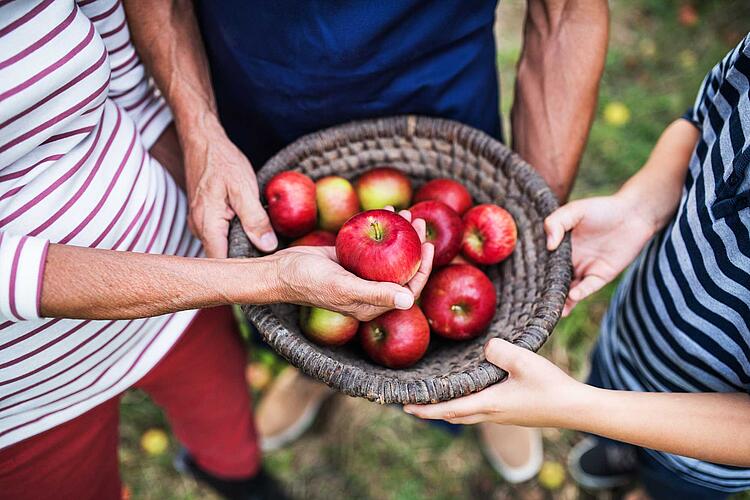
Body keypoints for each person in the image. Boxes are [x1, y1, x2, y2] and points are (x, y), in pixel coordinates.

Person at [123, 0, 609, 481]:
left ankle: (493, 374)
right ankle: (317, 370)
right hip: (262, 98)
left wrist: (535, 206)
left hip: (439, 90)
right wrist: (200, 129)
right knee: (294, 288)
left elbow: (567, 10)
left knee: (469, 306)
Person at [0, 2, 433, 499]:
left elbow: (120, 68)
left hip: (181, 276)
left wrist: (198, 141)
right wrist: (262, 277)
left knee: (226, 420)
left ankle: (235, 477)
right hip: (30, 386)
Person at [405, 33, 750, 499]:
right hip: (634, 337)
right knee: (615, 427)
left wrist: (577, 408)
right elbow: (706, 118)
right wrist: (640, 206)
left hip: (710, 453)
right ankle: (619, 450)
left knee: (672, 483)